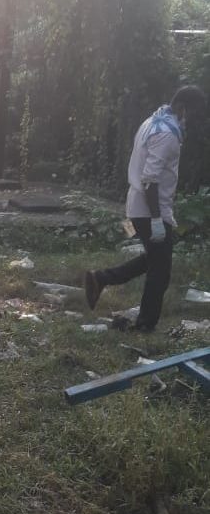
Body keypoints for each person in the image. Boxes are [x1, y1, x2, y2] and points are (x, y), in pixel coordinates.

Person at [85, 85, 206, 332]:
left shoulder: (153, 121)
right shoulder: (167, 134)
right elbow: (150, 179)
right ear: (182, 108)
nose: (191, 121)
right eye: (192, 114)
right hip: (151, 209)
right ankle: (144, 326)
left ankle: (101, 278)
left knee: (153, 260)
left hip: (140, 206)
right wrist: (156, 220)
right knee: (160, 273)